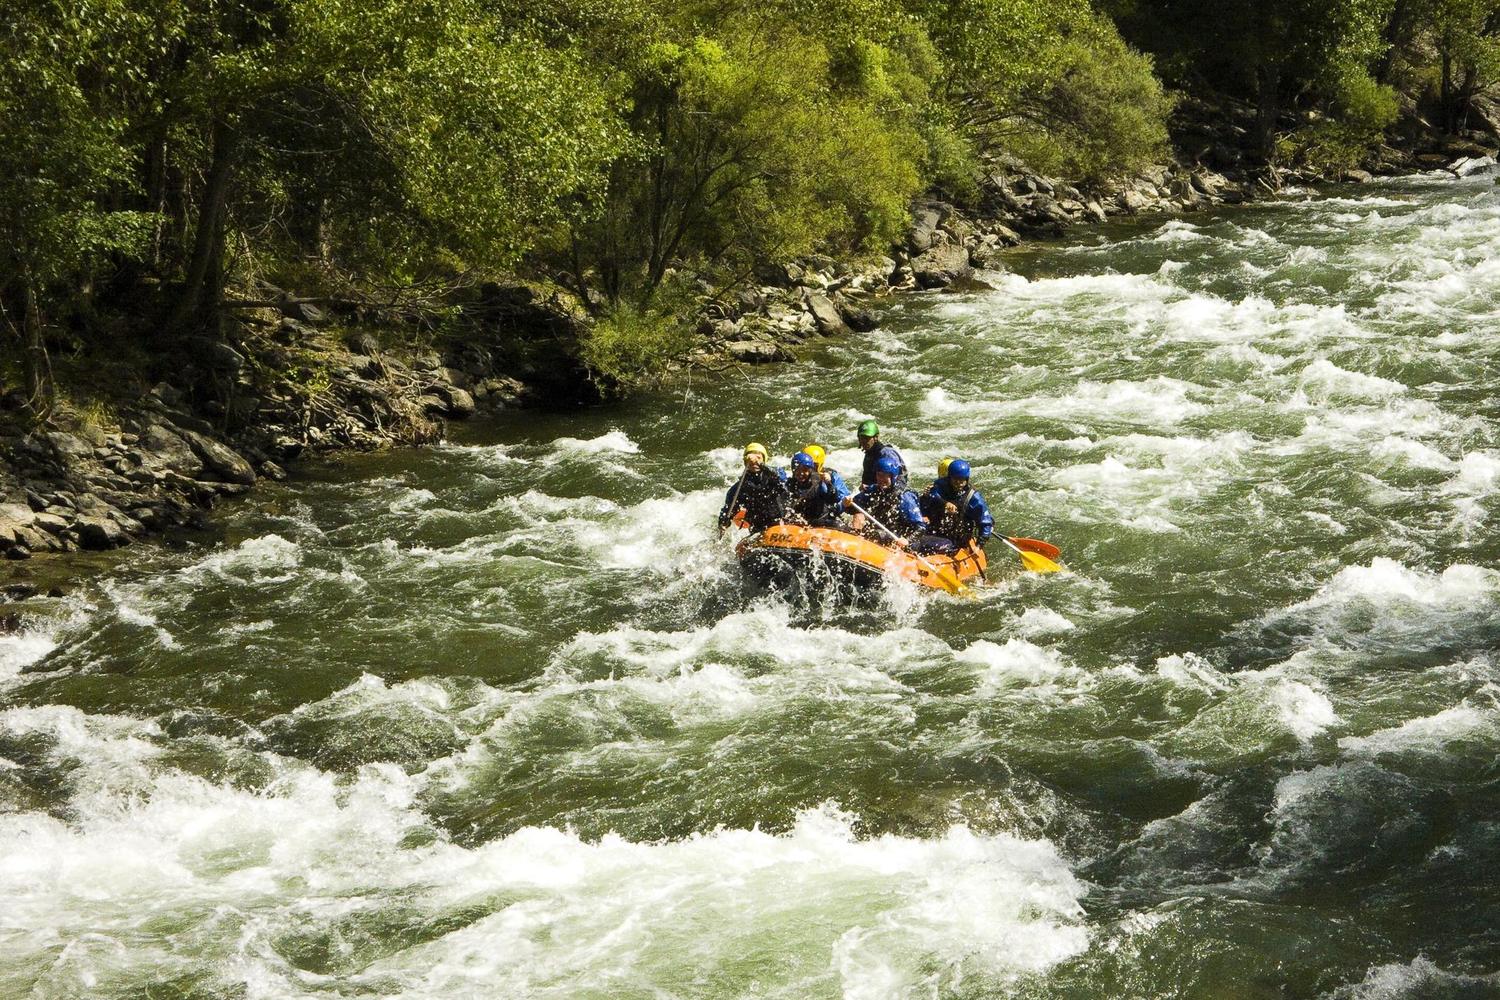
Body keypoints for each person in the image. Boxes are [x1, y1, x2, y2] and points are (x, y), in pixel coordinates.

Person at [915, 458, 994, 554]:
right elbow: (931, 497)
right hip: (934, 531)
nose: (959, 484)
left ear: (967, 479)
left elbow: (985, 523)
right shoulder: (939, 486)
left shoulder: (974, 498)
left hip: (956, 540)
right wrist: (944, 503)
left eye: (962, 480)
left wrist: (979, 544)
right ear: (950, 477)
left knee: (936, 546)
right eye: (955, 480)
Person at [844, 455, 926, 545]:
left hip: (901, 538)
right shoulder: (873, 490)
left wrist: (907, 540)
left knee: (875, 534)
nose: (881, 479)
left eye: (884, 476)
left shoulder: (904, 497)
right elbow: (854, 509)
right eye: (879, 475)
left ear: (893, 476)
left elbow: (921, 527)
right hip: (880, 533)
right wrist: (847, 505)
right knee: (857, 519)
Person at [718, 442, 790, 533]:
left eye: (759, 458)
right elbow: (728, 509)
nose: (754, 462)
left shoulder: (774, 474)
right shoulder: (740, 487)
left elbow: (783, 481)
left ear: (764, 460)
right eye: (750, 460)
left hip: (782, 521)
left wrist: (760, 464)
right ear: (745, 462)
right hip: (758, 527)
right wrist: (723, 522)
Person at [793, 444, 850, 525]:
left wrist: (829, 484)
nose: (811, 469)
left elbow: (841, 498)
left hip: (826, 514)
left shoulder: (831, 476)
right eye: (805, 466)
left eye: (814, 465)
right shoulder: (798, 477)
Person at [855, 419, 908, 491]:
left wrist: (894, 495)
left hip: (890, 495)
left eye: (867, 438)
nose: (863, 441)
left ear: (876, 437)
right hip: (874, 493)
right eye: (861, 438)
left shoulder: (887, 454)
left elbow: (901, 478)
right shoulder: (869, 454)